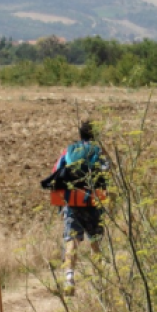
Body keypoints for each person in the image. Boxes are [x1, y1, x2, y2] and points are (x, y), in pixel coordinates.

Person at [43, 120, 108, 295]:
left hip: (72, 202)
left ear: (80, 134)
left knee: (71, 242)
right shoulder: (98, 151)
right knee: (95, 242)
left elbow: (56, 171)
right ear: (96, 135)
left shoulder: (69, 150)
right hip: (93, 202)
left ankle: (69, 279)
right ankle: (99, 283)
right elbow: (107, 172)